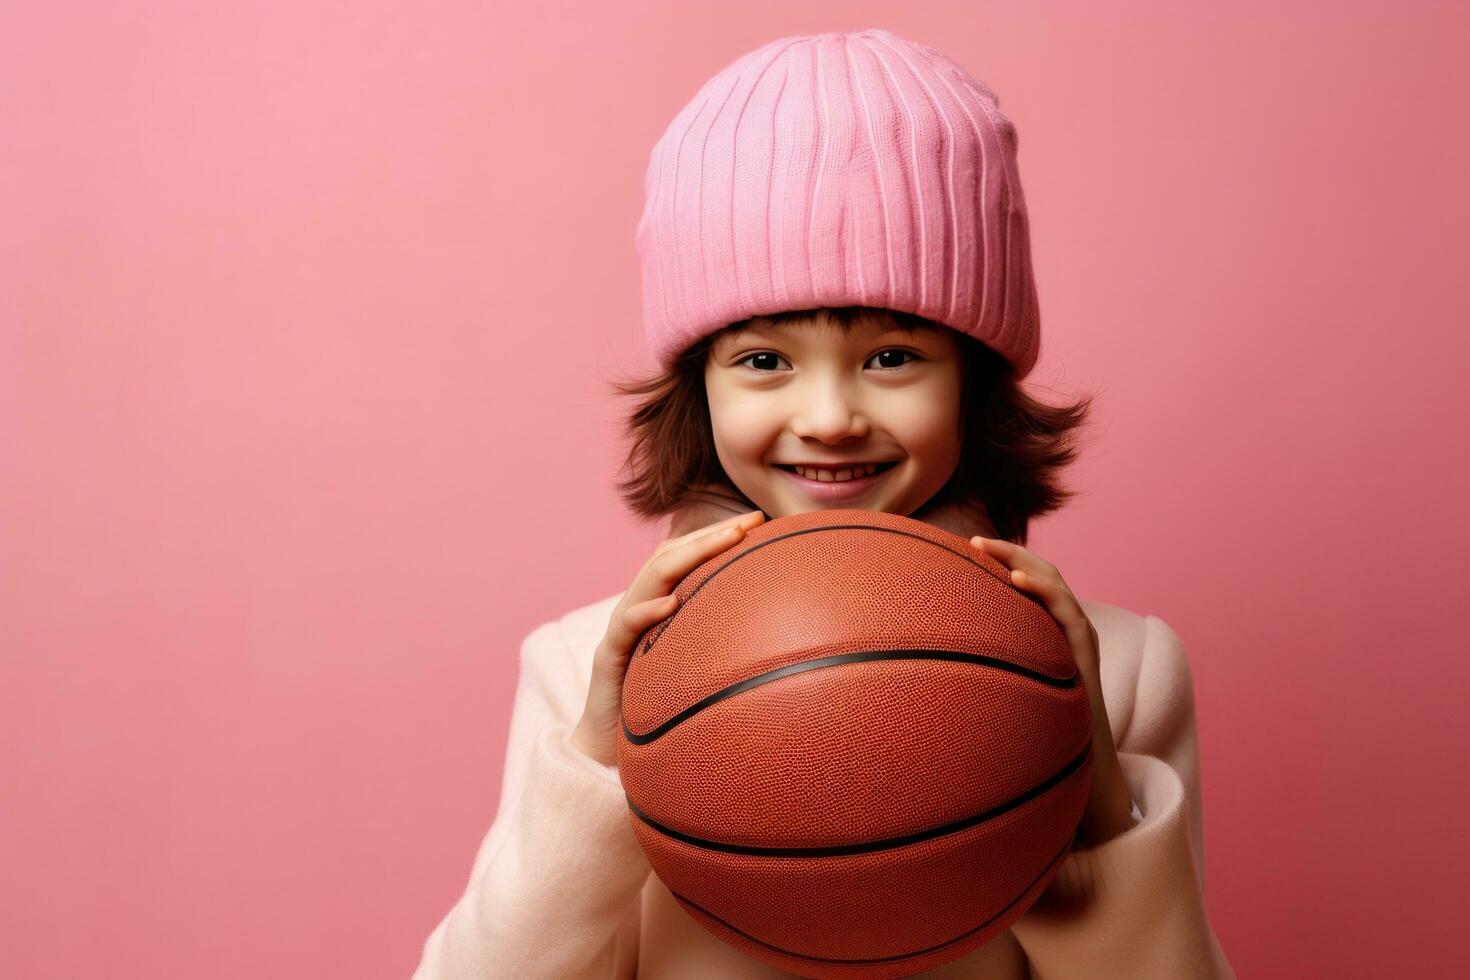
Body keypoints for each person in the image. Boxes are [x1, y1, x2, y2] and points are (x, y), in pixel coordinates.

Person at [413, 28, 1234, 979]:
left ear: (975, 378)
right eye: (765, 360)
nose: (832, 417)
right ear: (699, 387)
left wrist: (1091, 787)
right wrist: (600, 761)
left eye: (892, 357)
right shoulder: (585, 667)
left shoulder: (1123, 667)